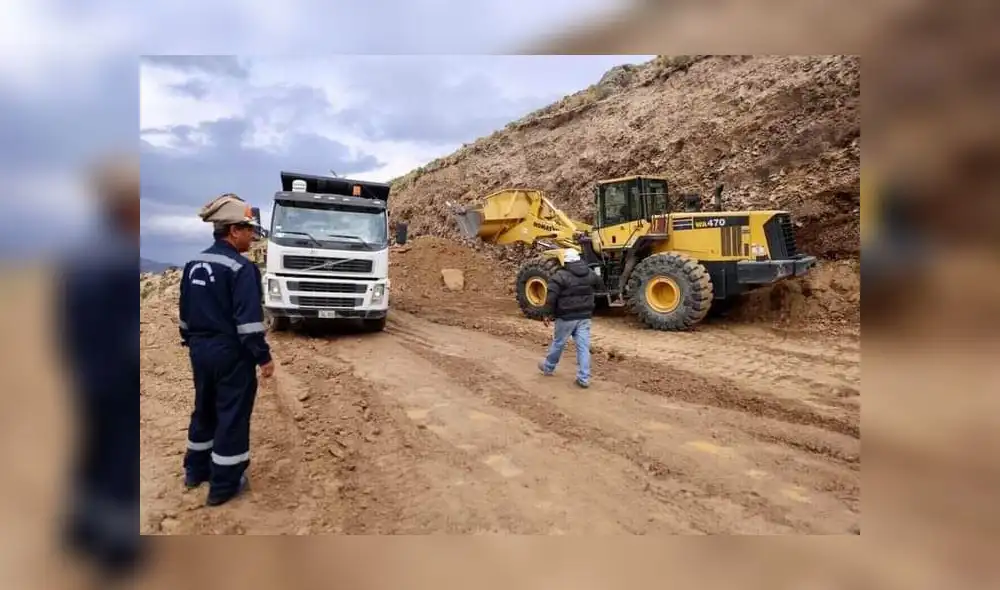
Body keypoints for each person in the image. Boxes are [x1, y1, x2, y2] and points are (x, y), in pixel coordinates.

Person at [57, 155, 144, 579]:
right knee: (118, 460)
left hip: (89, 373)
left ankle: (79, 529)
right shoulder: (120, 258)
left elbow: (66, 323)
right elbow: (127, 333)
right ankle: (115, 552)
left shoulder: (84, 253)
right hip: (116, 378)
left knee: (92, 450)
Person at [178, 193, 274, 506]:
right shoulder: (241, 269)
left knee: (204, 408)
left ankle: (195, 470)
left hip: (199, 351)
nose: (252, 235)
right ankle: (224, 485)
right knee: (232, 416)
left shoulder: (194, 265)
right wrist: (263, 358)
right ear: (233, 231)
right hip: (230, 354)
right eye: (248, 229)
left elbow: (185, 316)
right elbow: (248, 325)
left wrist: (194, 343)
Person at [537, 249, 602, 388]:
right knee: (583, 347)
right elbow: (599, 284)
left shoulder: (560, 276)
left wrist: (546, 314)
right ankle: (584, 378)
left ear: (565, 261)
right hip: (584, 316)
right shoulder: (590, 274)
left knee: (559, 343)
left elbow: (551, 297)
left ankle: (548, 367)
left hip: (566, 317)